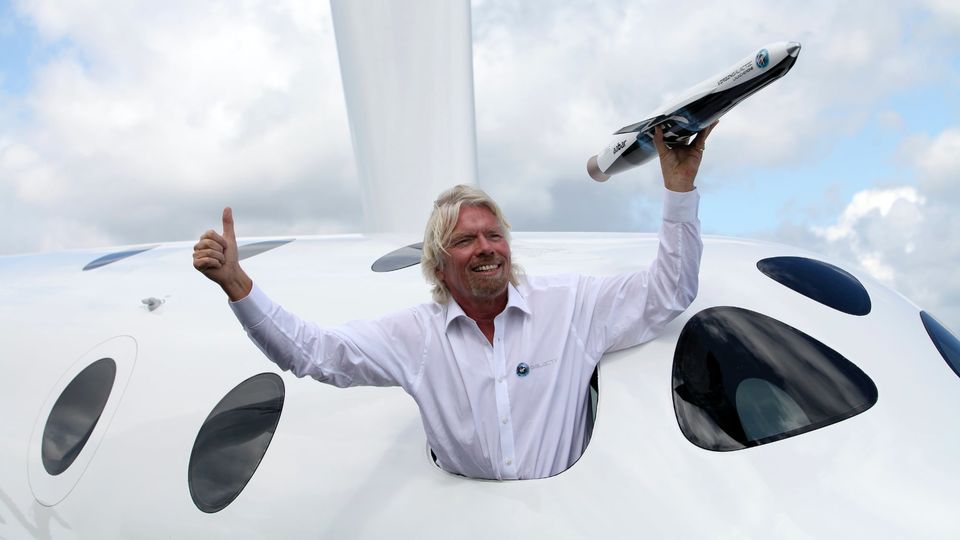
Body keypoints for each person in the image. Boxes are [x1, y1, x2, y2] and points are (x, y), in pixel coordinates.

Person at [193, 123, 717, 480]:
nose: (486, 249)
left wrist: (679, 190)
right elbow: (314, 353)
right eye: (466, 241)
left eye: (494, 235)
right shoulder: (416, 338)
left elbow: (668, 291)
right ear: (439, 263)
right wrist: (237, 284)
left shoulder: (571, 306)